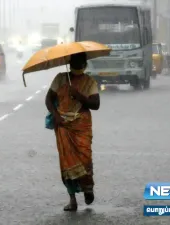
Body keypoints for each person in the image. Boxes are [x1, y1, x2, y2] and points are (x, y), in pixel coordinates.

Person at [45, 52, 100, 211]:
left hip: (81, 126)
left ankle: (88, 189)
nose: (78, 65)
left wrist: (78, 95)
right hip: (63, 125)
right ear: (70, 64)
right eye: (75, 62)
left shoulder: (89, 82)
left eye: (80, 62)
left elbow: (95, 104)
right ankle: (72, 199)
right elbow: (48, 99)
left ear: (84, 65)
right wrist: (56, 116)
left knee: (85, 158)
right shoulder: (60, 79)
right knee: (66, 162)